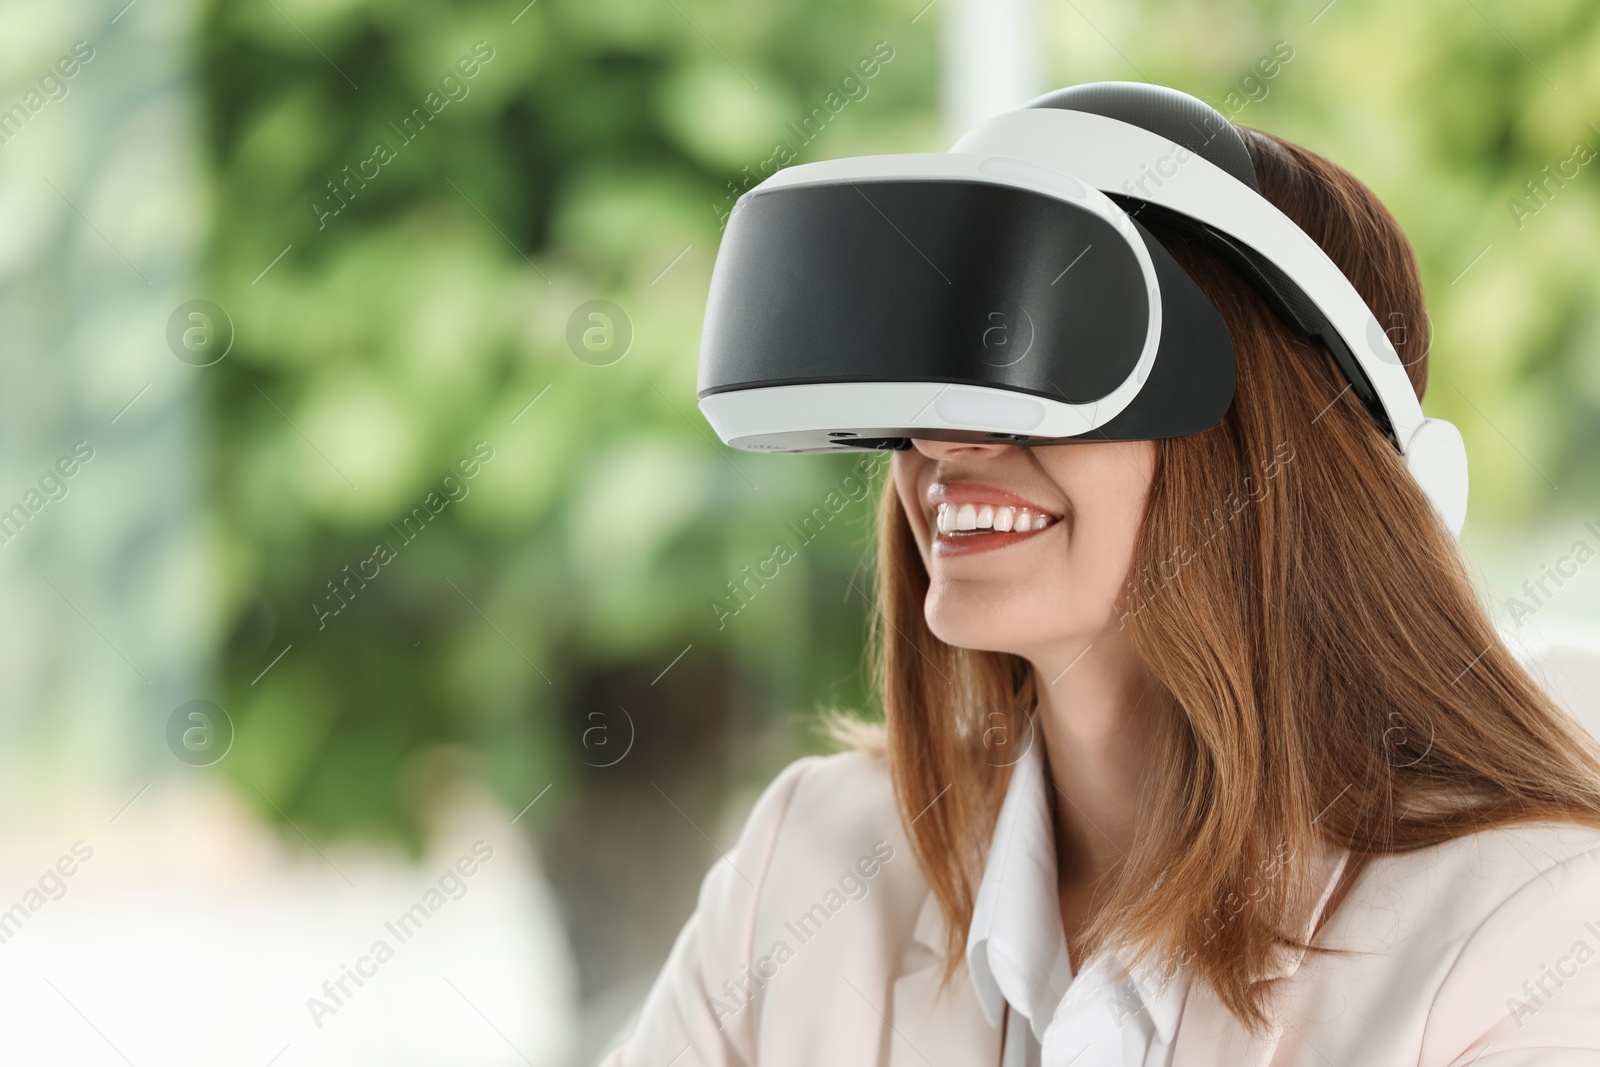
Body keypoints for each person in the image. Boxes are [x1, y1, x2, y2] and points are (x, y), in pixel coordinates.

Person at [597, 105, 1600, 1066]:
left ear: (1275, 454)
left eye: (1044, 356)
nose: (943, 440)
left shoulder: (1533, 921)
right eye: (941, 367)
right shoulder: (813, 863)